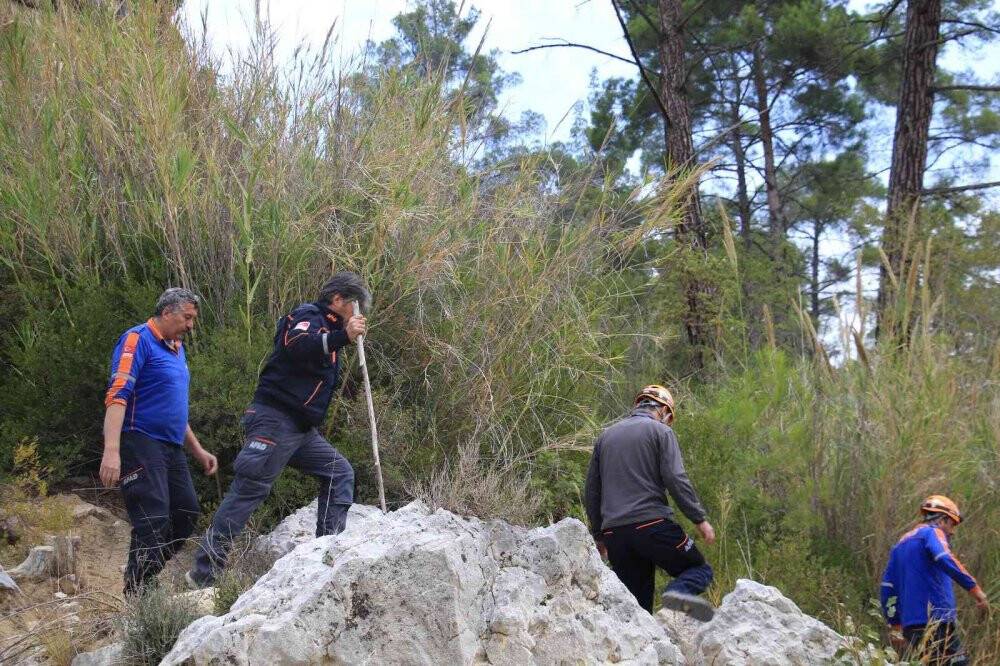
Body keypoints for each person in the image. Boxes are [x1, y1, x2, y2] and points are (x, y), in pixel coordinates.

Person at [186, 272, 368, 588]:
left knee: (339, 472)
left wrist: (341, 336)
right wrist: (342, 336)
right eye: (355, 303)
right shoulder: (308, 315)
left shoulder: (330, 329)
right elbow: (295, 345)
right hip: (275, 420)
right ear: (338, 299)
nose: (358, 311)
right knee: (249, 490)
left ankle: (323, 559)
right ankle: (203, 574)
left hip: (300, 429)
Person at [100, 287, 218, 596]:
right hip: (140, 440)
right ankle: (138, 592)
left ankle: (143, 575)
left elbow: (173, 409)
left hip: (171, 446)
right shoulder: (137, 340)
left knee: (186, 513)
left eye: (193, 319)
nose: (191, 325)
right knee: (153, 517)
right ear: (167, 312)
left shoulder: (177, 348)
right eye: (187, 317)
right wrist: (111, 451)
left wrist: (197, 449)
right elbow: (117, 395)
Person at [584, 384, 716, 619]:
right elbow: (675, 478)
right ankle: (677, 594)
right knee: (698, 570)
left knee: (638, 610)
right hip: (652, 525)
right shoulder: (661, 432)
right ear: (664, 411)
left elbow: (592, 491)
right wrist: (699, 519)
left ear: (638, 404)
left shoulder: (605, 437)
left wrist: (599, 536)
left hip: (616, 535)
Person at [881, 495, 989, 665]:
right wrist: (976, 590)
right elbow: (944, 557)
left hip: (911, 627)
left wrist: (895, 625)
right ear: (942, 519)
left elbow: (887, 588)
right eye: (952, 524)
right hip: (936, 621)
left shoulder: (899, 545)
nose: (952, 531)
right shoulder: (932, 532)